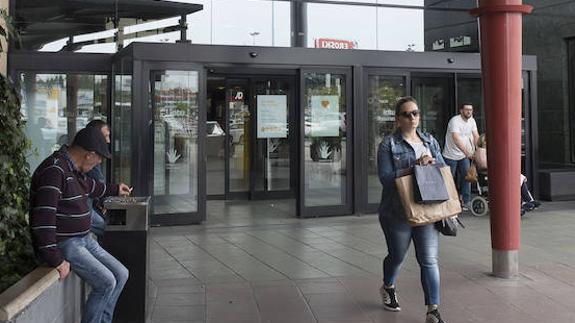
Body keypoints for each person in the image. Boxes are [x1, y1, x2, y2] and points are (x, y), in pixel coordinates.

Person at [29, 126, 131, 323]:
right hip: (68, 243)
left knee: (121, 274)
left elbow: (91, 187)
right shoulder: (54, 170)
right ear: (88, 155)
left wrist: (114, 189)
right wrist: (55, 259)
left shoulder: (72, 169)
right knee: (106, 282)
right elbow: (43, 221)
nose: (99, 162)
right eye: (99, 158)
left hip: (84, 239)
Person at [377, 96, 447, 323]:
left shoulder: (430, 141)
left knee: (428, 260)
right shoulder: (389, 144)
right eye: (407, 114)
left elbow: (443, 171)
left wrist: (433, 164)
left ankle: (433, 310)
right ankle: (388, 286)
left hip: (427, 210)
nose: (413, 117)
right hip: (397, 212)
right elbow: (386, 179)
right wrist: (413, 167)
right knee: (397, 256)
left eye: (415, 113)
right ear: (398, 119)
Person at [475, 134, 540, 215]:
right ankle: (522, 203)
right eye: (485, 140)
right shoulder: (481, 150)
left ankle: (528, 200)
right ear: (482, 141)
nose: (487, 142)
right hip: (487, 175)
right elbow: (483, 165)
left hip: (495, 173)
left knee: (517, 177)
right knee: (513, 179)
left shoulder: (491, 150)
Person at [442, 103, 479, 210]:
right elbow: (456, 139)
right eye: (466, 109)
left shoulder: (472, 120)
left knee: (468, 176)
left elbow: (476, 135)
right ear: (461, 111)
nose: (469, 112)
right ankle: (449, 202)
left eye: (471, 110)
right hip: (450, 155)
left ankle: (466, 201)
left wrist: (478, 149)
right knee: (449, 179)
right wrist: (468, 153)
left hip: (464, 155)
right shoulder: (455, 121)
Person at [85, 119, 111, 238]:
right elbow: (99, 180)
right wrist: (104, 201)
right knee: (106, 230)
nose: (108, 140)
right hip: (85, 207)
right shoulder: (91, 156)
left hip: (88, 204)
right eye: (105, 136)